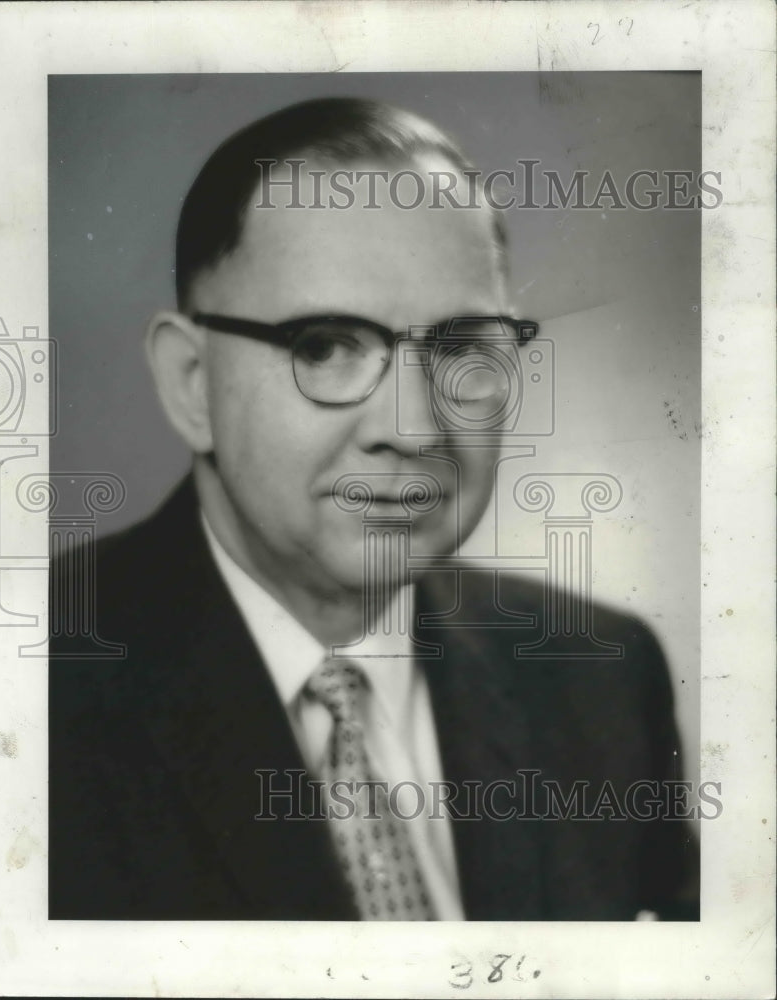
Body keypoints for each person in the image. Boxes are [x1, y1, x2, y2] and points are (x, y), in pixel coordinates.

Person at [49, 97, 698, 921]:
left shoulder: (603, 677)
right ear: (191, 385)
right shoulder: (23, 692)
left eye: (463, 348)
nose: (414, 427)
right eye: (324, 346)